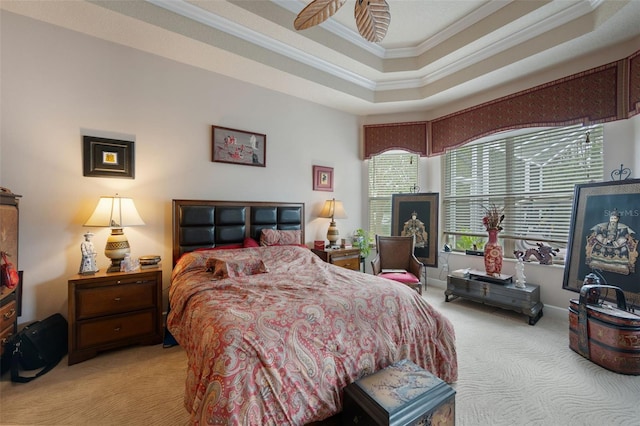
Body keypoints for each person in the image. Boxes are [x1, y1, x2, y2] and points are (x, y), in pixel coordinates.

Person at [585, 209, 638, 275]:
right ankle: (597, 261)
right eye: (611, 218)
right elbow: (598, 234)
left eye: (614, 218)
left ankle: (620, 265)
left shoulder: (622, 227)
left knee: (623, 250)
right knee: (597, 247)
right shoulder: (603, 226)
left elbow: (624, 236)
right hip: (604, 243)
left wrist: (615, 242)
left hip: (617, 245)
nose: (613, 220)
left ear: (617, 219)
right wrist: (605, 240)